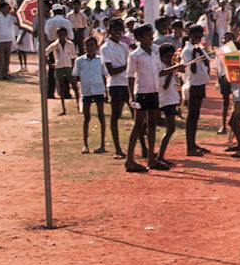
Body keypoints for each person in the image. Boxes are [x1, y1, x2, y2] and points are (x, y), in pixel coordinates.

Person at [125, 23, 179, 172]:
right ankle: (129, 160)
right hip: (141, 93)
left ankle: (151, 159)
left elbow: (159, 72)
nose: (151, 38)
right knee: (138, 126)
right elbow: (130, 77)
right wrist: (132, 98)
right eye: (148, 35)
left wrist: (174, 69)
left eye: (151, 35)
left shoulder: (156, 51)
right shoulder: (135, 55)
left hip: (154, 92)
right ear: (140, 38)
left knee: (152, 125)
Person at [100, 18, 133, 159]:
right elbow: (111, 71)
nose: (118, 33)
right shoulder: (105, 48)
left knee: (136, 114)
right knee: (115, 116)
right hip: (115, 84)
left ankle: (143, 148)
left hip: (126, 83)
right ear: (109, 31)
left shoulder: (123, 46)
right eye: (115, 30)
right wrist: (126, 66)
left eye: (120, 30)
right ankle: (118, 148)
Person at [72, 36, 109, 154]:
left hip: (98, 90)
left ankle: (102, 144)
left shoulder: (100, 60)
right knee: (86, 117)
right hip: (87, 91)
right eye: (87, 46)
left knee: (101, 116)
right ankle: (85, 145)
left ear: (96, 46)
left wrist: (106, 93)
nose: (89, 48)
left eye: (92, 45)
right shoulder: (79, 61)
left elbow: (104, 76)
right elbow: (76, 76)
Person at [180, 24, 212, 157]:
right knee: (191, 116)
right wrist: (194, 53)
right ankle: (189, 147)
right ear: (189, 36)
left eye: (199, 37)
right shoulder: (187, 51)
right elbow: (191, 69)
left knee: (196, 116)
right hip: (192, 84)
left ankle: (193, 143)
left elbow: (207, 63)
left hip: (201, 84)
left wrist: (199, 52)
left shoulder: (200, 48)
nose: (197, 39)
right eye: (194, 36)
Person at [155, 43, 182, 166]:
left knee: (170, 128)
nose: (169, 59)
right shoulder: (161, 68)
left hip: (170, 99)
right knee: (170, 128)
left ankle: (160, 155)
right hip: (165, 100)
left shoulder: (167, 67)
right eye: (166, 57)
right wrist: (172, 70)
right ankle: (159, 156)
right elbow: (164, 85)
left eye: (171, 57)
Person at [44, 26, 78, 116]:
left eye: (63, 34)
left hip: (68, 66)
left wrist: (74, 68)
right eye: (60, 35)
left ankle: (78, 105)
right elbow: (45, 52)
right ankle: (63, 108)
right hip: (59, 66)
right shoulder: (55, 45)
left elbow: (73, 56)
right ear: (57, 35)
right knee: (61, 87)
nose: (62, 36)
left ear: (66, 35)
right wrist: (50, 63)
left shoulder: (70, 44)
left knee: (74, 85)